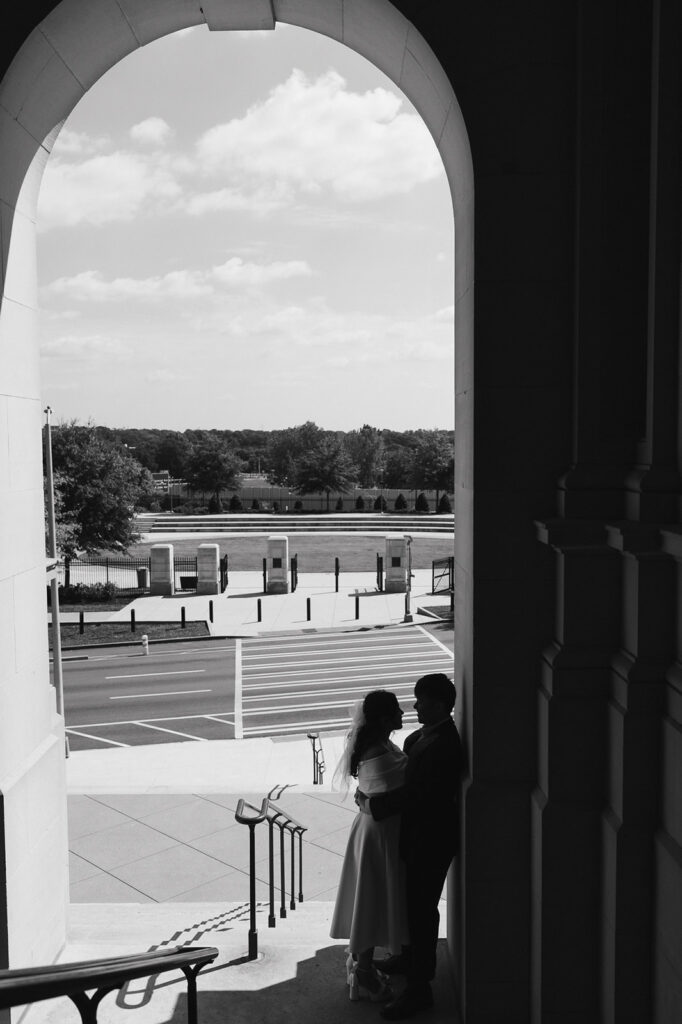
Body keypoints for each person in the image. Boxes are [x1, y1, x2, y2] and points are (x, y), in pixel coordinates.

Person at [356, 672, 463, 1020]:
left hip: (431, 841)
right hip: (413, 837)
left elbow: (418, 796)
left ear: (441, 704)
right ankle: (406, 956)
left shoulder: (446, 745)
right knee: (410, 905)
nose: (415, 705)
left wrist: (372, 806)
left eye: (422, 699)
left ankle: (420, 989)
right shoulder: (420, 737)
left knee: (422, 911)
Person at [330, 689, 409, 1002]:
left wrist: (365, 801)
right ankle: (363, 968)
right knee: (372, 899)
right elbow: (408, 783)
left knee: (371, 898)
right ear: (384, 718)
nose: (404, 713)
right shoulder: (377, 753)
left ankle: (363, 964)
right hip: (379, 835)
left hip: (375, 830)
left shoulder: (379, 745)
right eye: (397, 711)